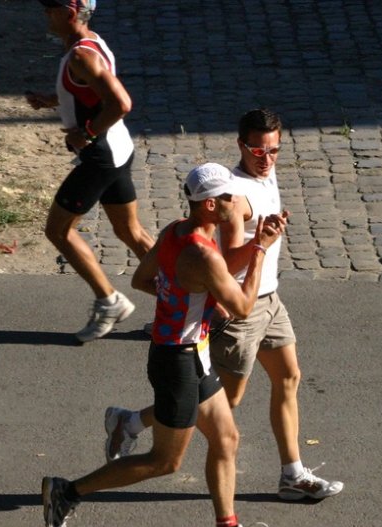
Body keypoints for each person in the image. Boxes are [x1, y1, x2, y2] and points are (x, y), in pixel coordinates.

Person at [42, 163, 285, 527]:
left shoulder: (175, 231)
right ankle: (67, 491)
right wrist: (259, 248)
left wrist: (188, 302)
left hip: (190, 354)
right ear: (209, 205)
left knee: (226, 438)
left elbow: (142, 280)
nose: (234, 201)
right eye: (227, 196)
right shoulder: (203, 255)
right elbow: (242, 307)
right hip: (178, 364)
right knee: (165, 461)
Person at [103, 109, 344, 502]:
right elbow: (226, 262)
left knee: (288, 377)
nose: (266, 158)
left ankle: (292, 474)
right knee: (222, 403)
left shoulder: (266, 174)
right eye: (257, 150)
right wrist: (260, 243)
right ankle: (132, 421)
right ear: (241, 146)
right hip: (240, 312)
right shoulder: (235, 197)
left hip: (270, 300)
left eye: (274, 150)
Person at [27, 0, 154, 343]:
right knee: (130, 231)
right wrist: (53, 99)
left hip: (100, 157)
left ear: (70, 13)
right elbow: (90, 91)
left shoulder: (81, 56)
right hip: (118, 149)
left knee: (58, 230)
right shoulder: (90, 42)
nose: (45, 13)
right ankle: (184, 300)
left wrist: (86, 133)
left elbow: (121, 103)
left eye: (51, 8)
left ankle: (109, 301)